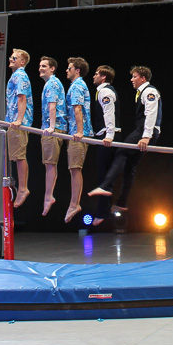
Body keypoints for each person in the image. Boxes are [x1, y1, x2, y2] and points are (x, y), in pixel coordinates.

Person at [88, 66, 161, 211]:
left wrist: (146, 136)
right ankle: (122, 202)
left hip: (145, 130)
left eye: (134, 77)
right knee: (130, 165)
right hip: (144, 130)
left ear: (143, 78)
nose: (131, 79)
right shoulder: (141, 92)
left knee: (121, 151)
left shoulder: (149, 92)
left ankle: (106, 186)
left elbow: (151, 114)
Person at [64, 57, 93, 223]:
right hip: (75, 131)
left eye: (69, 68)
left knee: (75, 168)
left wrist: (80, 131)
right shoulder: (77, 85)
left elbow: (78, 109)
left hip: (79, 132)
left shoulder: (77, 86)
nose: (66, 71)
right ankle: (74, 203)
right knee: (73, 168)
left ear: (77, 70)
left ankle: (74, 204)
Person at [90, 65, 121, 226]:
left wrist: (109, 136)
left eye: (96, 74)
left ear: (103, 77)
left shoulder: (105, 92)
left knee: (104, 175)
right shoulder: (101, 91)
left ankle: (103, 212)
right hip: (106, 134)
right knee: (105, 176)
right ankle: (105, 210)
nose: (93, 76)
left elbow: (109, 113)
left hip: (108, 136)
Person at [38, 56, 67, 216]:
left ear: (52, 68)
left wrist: (51, 126)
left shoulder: (52, 84)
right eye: (40, 66)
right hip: (53, 127)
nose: (40, 68)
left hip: (54, 128)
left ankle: (48, 196)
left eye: (44, 66)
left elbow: (52, 106)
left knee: (50, 163)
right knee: (49, 164)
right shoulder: (51, 83)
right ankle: (48, 196)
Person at [5, 48, 33, 208]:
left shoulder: (20, 75)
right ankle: (21, 186)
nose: (11, 59)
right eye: (11, 57)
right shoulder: (15, 75)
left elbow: (22, 98)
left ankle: (23, 188)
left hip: (19, 121)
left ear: (22, 62)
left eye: (14, 58)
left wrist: (19, 120)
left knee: (20, 156)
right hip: (13, 120)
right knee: (16, 156)